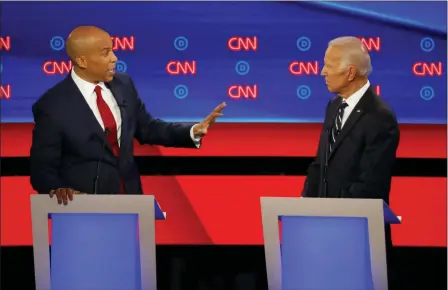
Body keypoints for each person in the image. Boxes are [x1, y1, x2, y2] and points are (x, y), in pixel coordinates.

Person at [30, 26, 226, 205]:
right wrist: (56, 189)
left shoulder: (123, 85)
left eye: (113, 50)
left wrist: (192, 131)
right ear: (82, 61)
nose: (114, 58)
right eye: (106, 53)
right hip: (82, 207)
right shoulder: (52, 106)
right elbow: (42, 168)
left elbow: (147, 128)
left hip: (129, 199)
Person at [302, 36, 400, 286]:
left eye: (329, 65)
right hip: (323, 235)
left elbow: (370, 184)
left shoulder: (380, 117)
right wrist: (304, 211)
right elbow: (320, 165)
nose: (322, 71)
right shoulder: (333, 107)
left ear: (350, 72)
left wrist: (331, 215)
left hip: (358, 236)